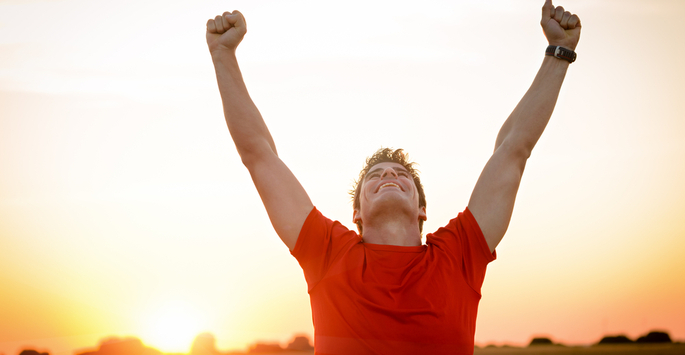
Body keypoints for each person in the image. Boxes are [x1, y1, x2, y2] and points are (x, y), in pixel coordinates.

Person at [206, 0, 580, 353]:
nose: (388, 175)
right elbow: (259, 155)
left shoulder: (458, 255)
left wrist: (558, 53)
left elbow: (513, 150)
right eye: (376, 175)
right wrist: (223, 55)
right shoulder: (327, 253)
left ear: (422, 210)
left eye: (401, 175)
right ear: (356, 214)